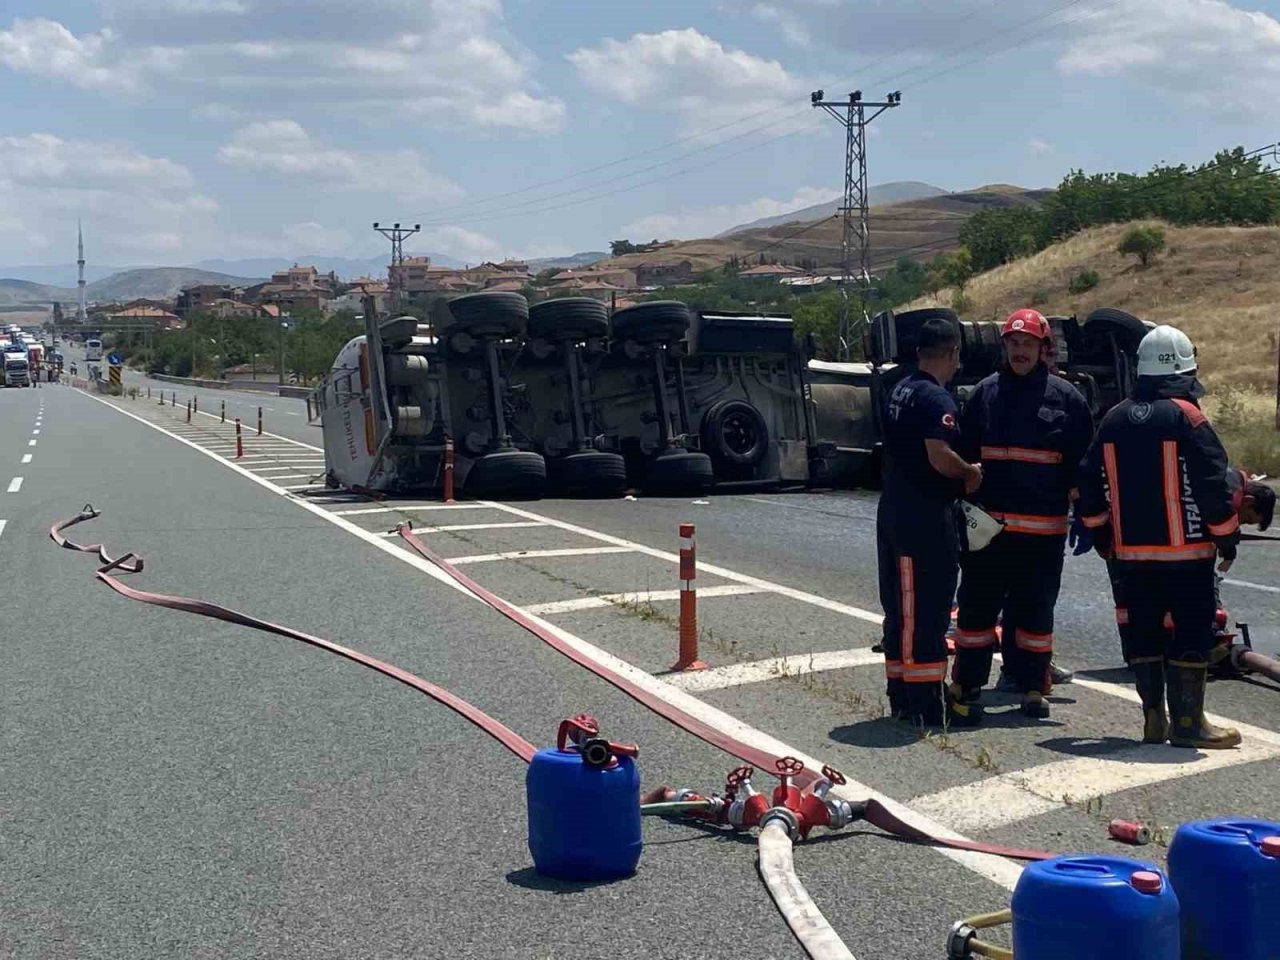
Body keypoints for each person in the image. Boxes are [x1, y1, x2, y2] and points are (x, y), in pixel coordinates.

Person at [1076, 325, 1241, 749]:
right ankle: (1188, 724)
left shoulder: (1113, 420)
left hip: (1131, 558)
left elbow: (1088, 483)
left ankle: (1153, 718)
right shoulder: (1188, 417)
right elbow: (1212, 484)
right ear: (1185, 371)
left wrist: (1101, 535)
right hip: (1187, 556)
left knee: (1144, 634)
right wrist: (1227, 537)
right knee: (1191, 634)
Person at [951, 309, 1094, 718]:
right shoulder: (984, 394)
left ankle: (1032, 686)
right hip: (988, 533)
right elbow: (963, 457)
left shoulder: (1067, 399)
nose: (1019, 351)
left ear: (1043, 348)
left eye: (1027, 344)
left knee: (1035, 613)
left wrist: (1087, 514)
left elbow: (1084, 464)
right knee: (976, 610)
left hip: (1042, 536)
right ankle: (967, 683)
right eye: (1013, 343)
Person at [877, 317, 984, 727]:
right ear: (953, 352)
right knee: (927, 610)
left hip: (894, 511)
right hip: (923, 519)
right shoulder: (936, 399)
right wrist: (969, 473)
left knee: (899, 609)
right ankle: (925, 704)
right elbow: (938, 455)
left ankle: (902, 695)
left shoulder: (900, 388)